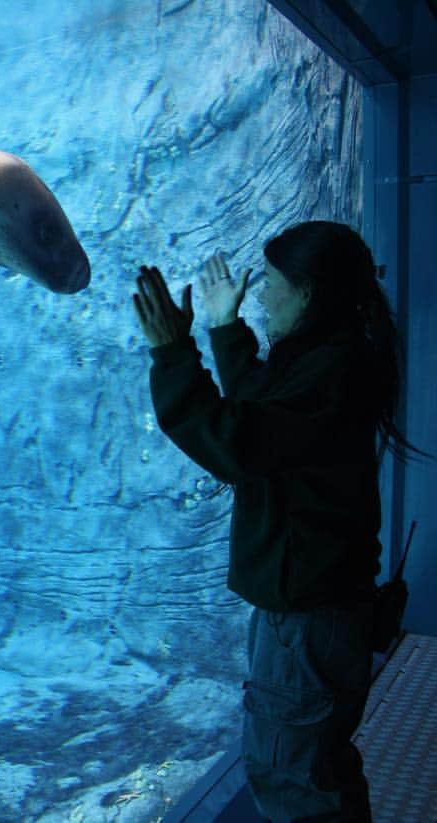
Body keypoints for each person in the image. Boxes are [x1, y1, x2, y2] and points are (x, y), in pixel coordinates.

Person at [131, 221, 415, 822]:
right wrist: (224, 327)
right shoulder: (329, 353)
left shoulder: (335, 368)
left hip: (310, 613)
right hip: (312, 604)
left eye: (271, 284)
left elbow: (240, 444)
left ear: (307, 291)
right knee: (308, 765)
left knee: (294, 779)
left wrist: (173, 354)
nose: (261, 296)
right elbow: (267, 408)